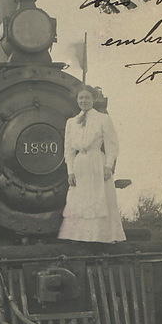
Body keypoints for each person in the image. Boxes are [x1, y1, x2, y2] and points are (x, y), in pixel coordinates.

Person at [58, 85, 126, 243]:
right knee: (81, 200)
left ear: (93, 99)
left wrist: (109, 166)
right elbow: (68, 149)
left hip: (97, 164)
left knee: (98, 199)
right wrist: (70, 172)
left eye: (87, 97)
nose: (84, 101)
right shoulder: (71, 122)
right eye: (81, 98)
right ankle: (80, 237)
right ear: (77, 100)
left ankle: (100, 237)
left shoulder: (103, 119)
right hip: (80, 165)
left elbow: (112, 144)